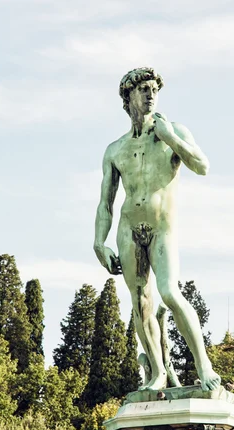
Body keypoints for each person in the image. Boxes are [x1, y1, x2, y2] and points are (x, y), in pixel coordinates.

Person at [94, 67, 221, 392]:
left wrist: (172, 139)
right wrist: (99, 242)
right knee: (140, 303)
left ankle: (203, 365)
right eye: (144, 89)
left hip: (162, 228)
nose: (151, 94)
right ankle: (157, 372)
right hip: (127, 229)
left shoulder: (171, 131)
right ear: (129, 96)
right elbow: (106, 203)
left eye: (154, 89)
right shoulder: (115, 149)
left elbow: (203, 166)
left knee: (169, 292)